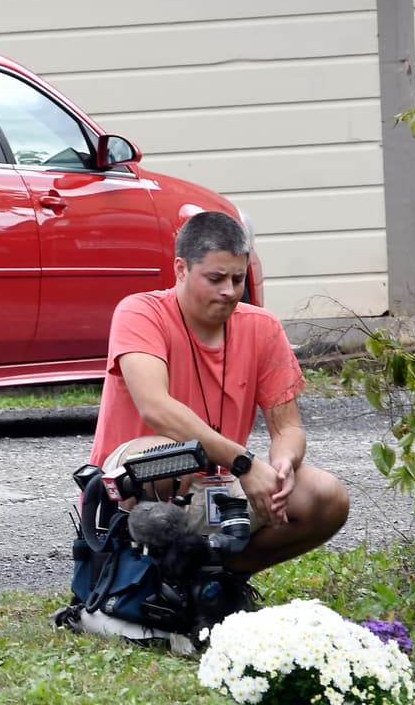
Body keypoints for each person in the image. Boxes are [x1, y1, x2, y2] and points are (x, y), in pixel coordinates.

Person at [89, 210, 348, 584]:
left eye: (238, 279)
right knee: (170, 456)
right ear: (181, 268)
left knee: (327, 495)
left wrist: (283, 463)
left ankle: (222, 576)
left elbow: (288, 426)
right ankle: (139, 577)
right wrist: (244, 463)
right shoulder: (140, 312)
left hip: (221, 486)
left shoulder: (263, 327)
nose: (229, 290)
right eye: (215, 278)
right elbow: (155, 406)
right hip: (136, 489)